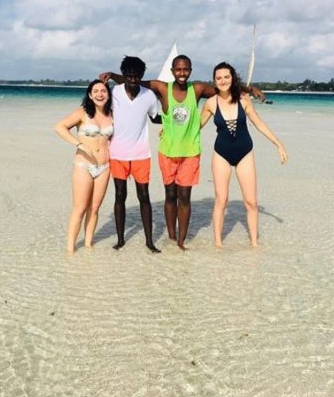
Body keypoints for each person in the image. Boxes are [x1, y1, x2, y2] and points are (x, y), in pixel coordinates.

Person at [103, 54, 265, 250]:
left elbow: (225, 88)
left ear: (190, 71)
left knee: (185, 198)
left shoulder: (196, 89)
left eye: (185, 69)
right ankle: (171, 237)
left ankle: (181, 241)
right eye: (178, 69)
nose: (182, 73)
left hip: (190, 152)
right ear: (172, 71)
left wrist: (250, 89)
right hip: (168, 151)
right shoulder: (162, 87)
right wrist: (112, 75)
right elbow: (134, 79)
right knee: (170, 195)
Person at [200, 62, 288, 247]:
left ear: (232, 78)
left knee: (251, 202)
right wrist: (168, 130)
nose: (223, 81)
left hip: (244, 153)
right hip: (221, 154)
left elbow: (259, 124)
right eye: (218, 78)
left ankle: (255, 244)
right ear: (214, 81)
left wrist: (278, 144)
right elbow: (196, 127)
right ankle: (218, 244)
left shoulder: (244, 99)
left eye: (226, 77)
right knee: (221, 201)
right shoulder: (210, 103)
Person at [101, 56, 162, 253]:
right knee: (120, 195)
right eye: (129, 76)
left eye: (137, 76)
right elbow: (100, 112)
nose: (133, 80)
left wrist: (177, 119)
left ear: (142, 76)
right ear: (124, 75)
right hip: (117, 153)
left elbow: (155, 118)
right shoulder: (113, 93)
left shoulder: (149, 96)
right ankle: (120, 240)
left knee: (144, 196)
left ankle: (149, 241)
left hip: (141, 154)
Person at [55, 80, 114, 254]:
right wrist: (78, 143)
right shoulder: (82, 113)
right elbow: (60, 127)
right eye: (95, 91)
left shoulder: (112, 115)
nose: (100, 94)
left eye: (103, 91)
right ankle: (70, 249)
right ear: (89, 95)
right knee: (79, 208)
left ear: (108, 94)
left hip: (104, 166)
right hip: (84, 165)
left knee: (94, 208)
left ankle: (88, 245)